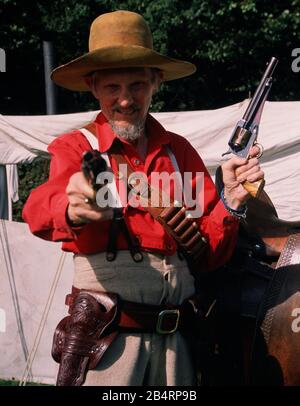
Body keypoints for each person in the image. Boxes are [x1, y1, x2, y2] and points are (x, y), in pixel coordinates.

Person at [23, 10, 264, 386]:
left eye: (137, 85)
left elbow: (211, 255)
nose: (125, 100)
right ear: (93, 86)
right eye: (112, 88)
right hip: (110, 347)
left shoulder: (178, 152)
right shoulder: (76, 148)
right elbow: (39, 209)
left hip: (178, 344)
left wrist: (231, 200)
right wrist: (71, 207)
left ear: (156, 81)